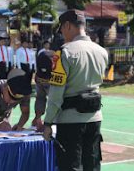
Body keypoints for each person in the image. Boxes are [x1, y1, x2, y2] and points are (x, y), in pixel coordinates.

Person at [43, 9, 108, 171]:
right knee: (92, 165)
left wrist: (48, 122)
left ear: (67, 25)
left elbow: (56, 94)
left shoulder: (65, 53)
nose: (62, 33)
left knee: (71, 166)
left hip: (70, 120)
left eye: (62, 29)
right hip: (94, 118)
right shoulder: (102, 51)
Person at [32, 41, 54, 131]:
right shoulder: (54, 55)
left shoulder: (41, 54)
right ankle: (50, 122)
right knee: (53, 101)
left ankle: (37, 119)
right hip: (49, 80)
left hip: (40, 79)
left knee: (40, 98)